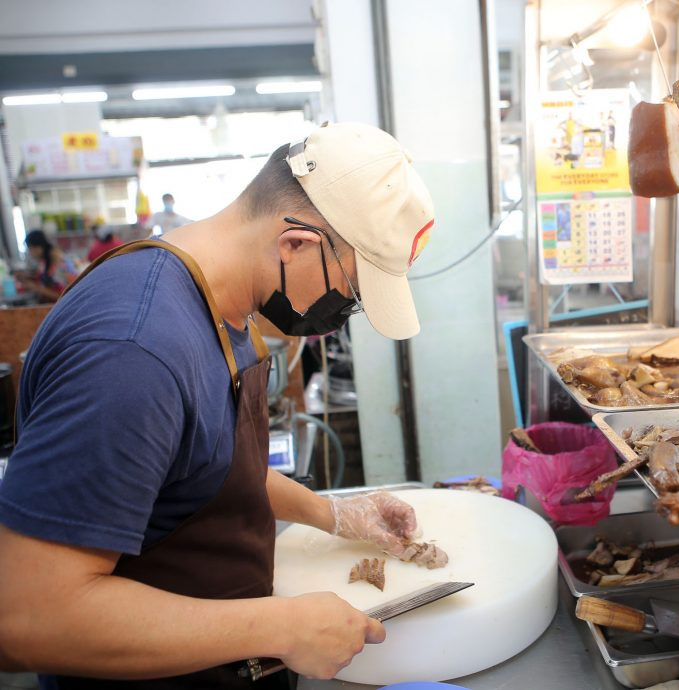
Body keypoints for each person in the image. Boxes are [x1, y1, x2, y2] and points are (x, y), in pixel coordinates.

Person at [0, 123, 437, 687]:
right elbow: (28, 619)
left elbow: (206, 468)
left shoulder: (222, 303)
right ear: (295, 243)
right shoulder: (133, 352)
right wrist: (275, 626)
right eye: (350, 294)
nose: (342, 314)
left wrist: (334, 514)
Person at [15, 230, 79, 302]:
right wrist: (27, 277)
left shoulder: (57, 260)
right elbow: (43, 278)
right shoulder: (44, 260)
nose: (30, 253)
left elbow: (62, 296)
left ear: (38, 247)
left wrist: (35, 288)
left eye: (30, 248)